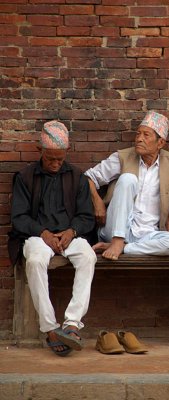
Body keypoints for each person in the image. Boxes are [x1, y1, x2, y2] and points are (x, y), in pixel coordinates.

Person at [10, 120, 97, 357]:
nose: (56, 164)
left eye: (60, 159)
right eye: (51, 159)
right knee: (36, 261)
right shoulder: (25, 177)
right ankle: (50, 328)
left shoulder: (77, 177)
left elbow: (86, 216)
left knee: (88, 256)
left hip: (69, 236)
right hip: (37, 236)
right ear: (40, 151)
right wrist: (43, 232)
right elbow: (18, 217)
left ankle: (71, 324)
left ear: (66, 153)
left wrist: (72, 231)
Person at [85, 110, 169, 260]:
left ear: (160, 143)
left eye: (146, 135)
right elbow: (88, 177)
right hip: (114, 228)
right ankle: (117, 240)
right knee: (128, 179)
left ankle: (125, 248)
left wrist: (168, 235)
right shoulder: (123, 157)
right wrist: (98, 203)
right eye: (138, 134)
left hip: (147, 234)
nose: (139, 139)